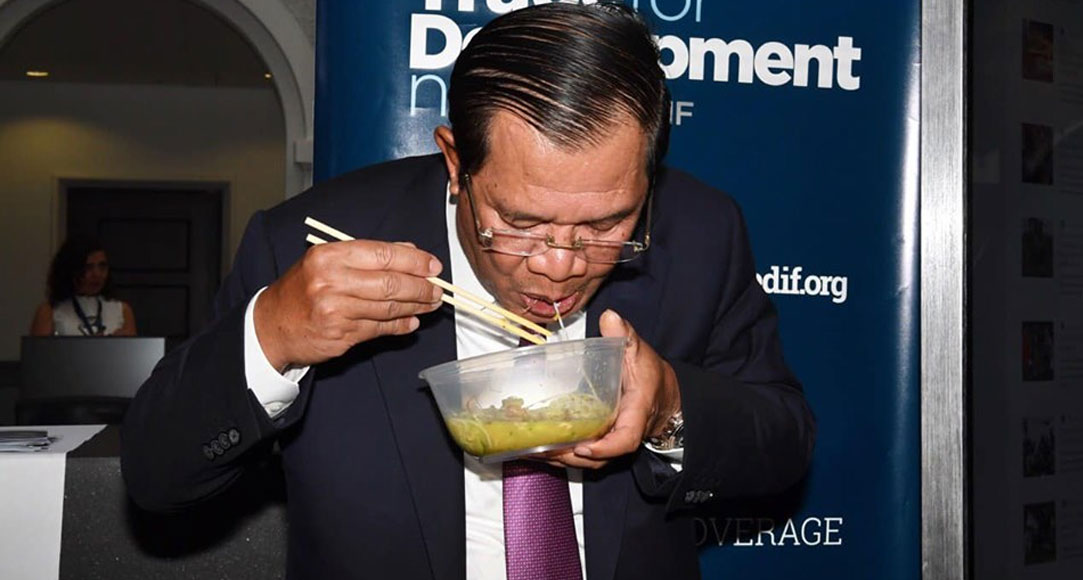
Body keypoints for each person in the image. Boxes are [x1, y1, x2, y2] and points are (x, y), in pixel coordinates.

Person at [121, 4, 814, 579]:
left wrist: (668, 407)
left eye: (606, 225)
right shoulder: (307, 242)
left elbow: (783, 445)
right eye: (520, 222)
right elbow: (157, 477)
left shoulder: (700, 233)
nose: (559, 265)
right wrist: (272, 335)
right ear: (455, 161)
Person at [30, 234, 136, 337]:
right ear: (71, 270)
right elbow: (40, 349)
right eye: (88, 267)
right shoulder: (50, 312)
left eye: (102, 266)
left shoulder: (122, 310)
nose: (97, 274)